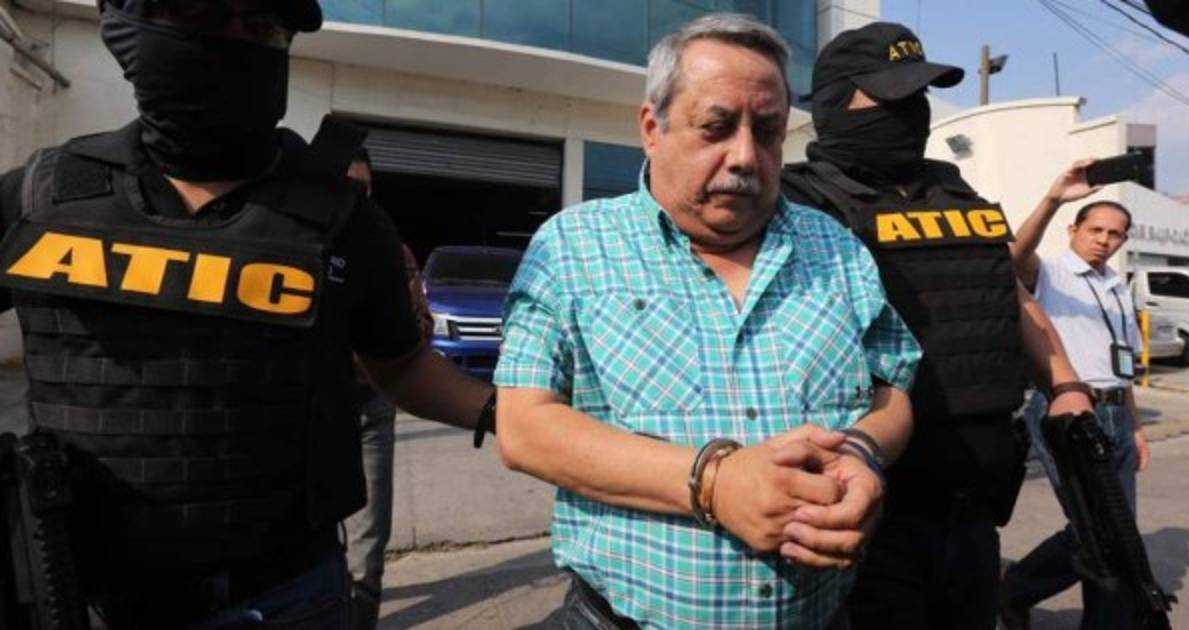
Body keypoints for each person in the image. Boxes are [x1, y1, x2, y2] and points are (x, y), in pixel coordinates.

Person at [0, 1, 495, 627]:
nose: (234, 43)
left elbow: (400, 366)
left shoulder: (345, 220)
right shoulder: (43, 197)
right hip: (83, 597)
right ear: (128, 28)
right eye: (201, 17)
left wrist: (510, 413)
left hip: (289, 598)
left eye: (261, 27)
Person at [495, 13, 923, 629]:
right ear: (652, 128)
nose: (745, 157)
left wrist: (862, 451)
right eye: (716, 127)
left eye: (768, 133)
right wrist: (714, 482)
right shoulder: (572, 248)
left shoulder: (837, 250)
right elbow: (524, 428)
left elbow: (892, 389)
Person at [779, 22, 1094, 630]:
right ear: (834, 104)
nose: (911, 111)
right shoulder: (795, 204)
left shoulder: (953, 189)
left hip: (971, 508)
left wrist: (1066, 383)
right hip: (864, 509)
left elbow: (1005, 293)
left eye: (918, 95)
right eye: (892, 97)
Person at [1000, 188, 1150, 630]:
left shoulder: (1117, 287)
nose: (1104, 240)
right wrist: (1052, 199)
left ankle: (1090, 617)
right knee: (1097, 527)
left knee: (1117, 532)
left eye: (1114, 234)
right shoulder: (1051, 274)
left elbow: (1122, 368)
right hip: (1068, 412)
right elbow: (1012, 258)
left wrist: (1135, 428)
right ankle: (1014, 589)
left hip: (1116, 412)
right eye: (1095, 230)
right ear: (1073, 230)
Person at [343, 148, 453, 630]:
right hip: (311, 410)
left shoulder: (391, 250)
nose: (354, 198)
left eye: (362, 188)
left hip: (373, 404)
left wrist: (397, 335)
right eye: (344, 186)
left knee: (368, 540)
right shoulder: (297, 239)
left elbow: (421, 323)